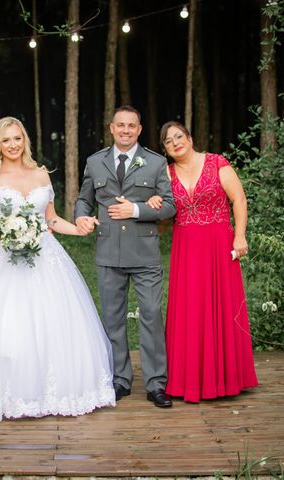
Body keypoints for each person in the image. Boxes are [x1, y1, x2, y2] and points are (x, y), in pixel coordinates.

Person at [0, 117, 115, 421]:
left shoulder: (41, 174)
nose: (13, 145)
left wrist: (79, 229)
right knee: (5, 326)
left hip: (45, 255)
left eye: (18, 139)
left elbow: (51, 220)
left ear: (25, 140)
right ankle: (8, 391)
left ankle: (55, 390)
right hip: (5, 258)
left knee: (55, 324)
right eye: (6, 140)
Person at [74, 105, 176, 408]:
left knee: (151, 317)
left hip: (145, 254)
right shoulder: (95, 162)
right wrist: (81, 217)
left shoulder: (156, 163)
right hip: (109, 253)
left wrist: (136, 210)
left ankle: (156, 383)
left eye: (132, 126)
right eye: (121, 125)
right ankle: (120, 379)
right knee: (113, 320)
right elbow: (84, 198)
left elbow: (169, 206)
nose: (126, 131)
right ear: (111, 128)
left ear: (140, 129)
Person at [149, 121, 258, 403]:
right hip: (186, 249)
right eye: (168, 141)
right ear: (165, 150)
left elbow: (240, 200)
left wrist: (240, 236)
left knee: (222, 305)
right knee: (190, 309)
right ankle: (190, 379)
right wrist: (154, 208)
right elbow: (163, 224)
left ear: (190, 137)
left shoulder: (216, 162)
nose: (175, 143)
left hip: (219, 244)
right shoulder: (166, 175)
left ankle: (226, 378)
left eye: (179, 136)